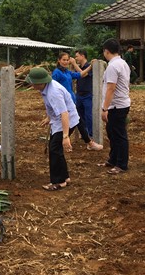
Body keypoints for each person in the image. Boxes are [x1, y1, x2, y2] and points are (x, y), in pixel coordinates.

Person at [27, 67, 80, 191]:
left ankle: (58, 181)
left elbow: (64, 113)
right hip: (58, 121)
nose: (31, 85)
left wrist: (66, 136)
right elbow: (52, 108)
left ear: (40, 82)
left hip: (65, 122)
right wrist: (48, 117)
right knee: (56, 149)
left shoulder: (53, 92)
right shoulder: (46, 88)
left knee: (54, 150)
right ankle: (65, 177)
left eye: (33, 83)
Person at [52, 52, 102, 151]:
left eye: (67, 60)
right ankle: (88, 142)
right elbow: (52, 87)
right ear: (59, 60)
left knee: (76, 122)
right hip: (62, 102)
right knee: (77, 122)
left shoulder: (67, 72)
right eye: (63, 60)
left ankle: (66, 142)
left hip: (71, 101)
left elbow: (80, 74)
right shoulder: (56, 73)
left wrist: (91, 67)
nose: (66, 62)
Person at [100, 39, 131, 175]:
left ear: (106, 51)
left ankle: (121, 164)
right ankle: (113, 159)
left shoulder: (113, 66)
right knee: (112, 132)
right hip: (120, 104)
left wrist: (104, 108)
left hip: (116, 106)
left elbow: (111, 88)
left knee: (119, 135)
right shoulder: (122, 63)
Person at [73, 49, 99, 141]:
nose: (75, 58)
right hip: (79, 94)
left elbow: (82, 74)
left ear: (82, 56)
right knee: (80, 115)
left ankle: (91, 134)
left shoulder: (89, 66)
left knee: (88, 115)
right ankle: (84, 133)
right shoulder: (80, 66)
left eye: (77, 56)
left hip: (87, 94)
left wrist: (74, 64)